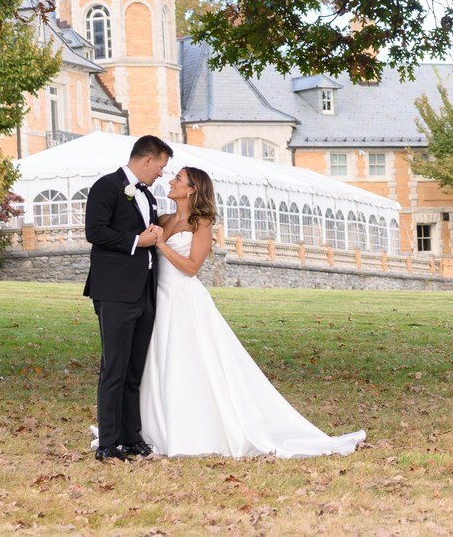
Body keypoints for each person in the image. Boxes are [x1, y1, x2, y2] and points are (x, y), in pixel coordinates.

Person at [139, 164, 364, 458]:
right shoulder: (164, 219)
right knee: (161, 360)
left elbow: (193, 267)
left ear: (192, 189)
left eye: (178, 178)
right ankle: (158, 425)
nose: (171, 181)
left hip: (184, 298)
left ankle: (193, 429)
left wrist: (162, 246)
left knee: (188, 361)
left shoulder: (202, 224)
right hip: (160, 298)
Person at [85, 133, 174, 460]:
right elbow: (94, 231)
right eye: (161, 166)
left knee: (135, 368)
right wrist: (138, 240)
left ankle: (131, 435)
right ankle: (108, 443)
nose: (162, 173)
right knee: (115, 367)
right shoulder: (106, 187)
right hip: (115, 290)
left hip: (144, 290)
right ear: (147, 159)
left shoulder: (147, 196)